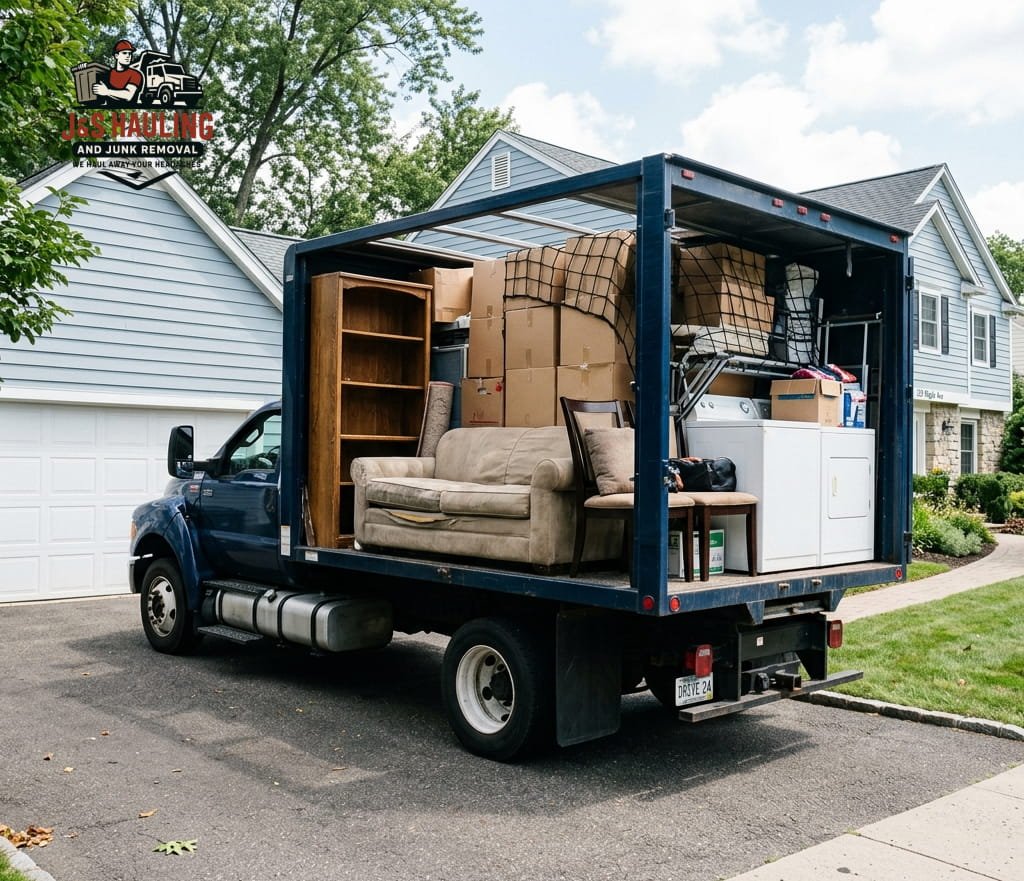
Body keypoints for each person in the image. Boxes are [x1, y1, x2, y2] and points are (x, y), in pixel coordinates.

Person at [92, 39, 143, 105]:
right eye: (124, 53)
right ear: (116, 56)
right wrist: (84, 68)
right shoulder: (108, 73)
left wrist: (107, 91)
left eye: (130, 53)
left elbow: (128, 95)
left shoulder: (135, 74)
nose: (128, 56)